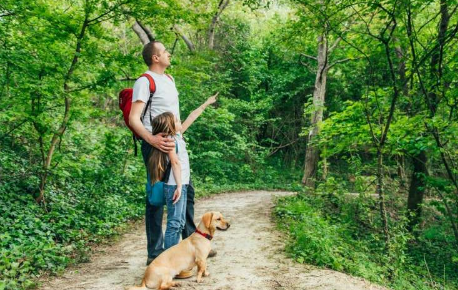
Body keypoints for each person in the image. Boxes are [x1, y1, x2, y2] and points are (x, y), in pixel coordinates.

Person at [128, 41, 216, 273]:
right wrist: (152, 139)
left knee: (186, 191)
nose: (169, 53)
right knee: (156, 198)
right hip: (156, 145)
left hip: (174, 142)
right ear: (155, 58)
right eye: (165, 51)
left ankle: (193, 242)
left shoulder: (169, 80)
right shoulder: (144, 82)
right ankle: (155, 254)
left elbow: (176, 117)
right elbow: (133, 118)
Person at [147, 94, 217, 250]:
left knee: (179, 222)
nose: (180, 121)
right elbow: (175, 163)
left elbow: (192, 117)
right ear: (170, 126)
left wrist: (206, 103)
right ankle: (169, 261)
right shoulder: (170, 141)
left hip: (181, 184)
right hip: (175, 186)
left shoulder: (178, 135)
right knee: (175, 223)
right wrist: (179, 186)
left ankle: (174, 258)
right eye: (177, 120)